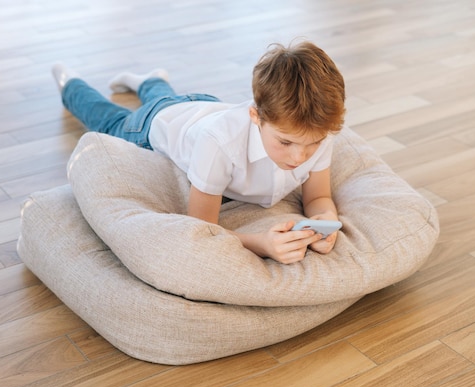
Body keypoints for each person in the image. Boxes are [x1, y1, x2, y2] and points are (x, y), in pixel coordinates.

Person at [52, 40, 346, 264]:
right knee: (109, 119)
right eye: (285, 143)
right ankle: (70, 83)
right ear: (256, 116)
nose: (299, 158)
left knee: (169, 99)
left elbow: (318, 198)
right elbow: (202, 228)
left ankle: (151, 80)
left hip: (204, 106)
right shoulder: (218, 143)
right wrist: (263, 244)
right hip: (157, 123)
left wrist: (323, 225)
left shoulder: (315, 133)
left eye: (313, 144)